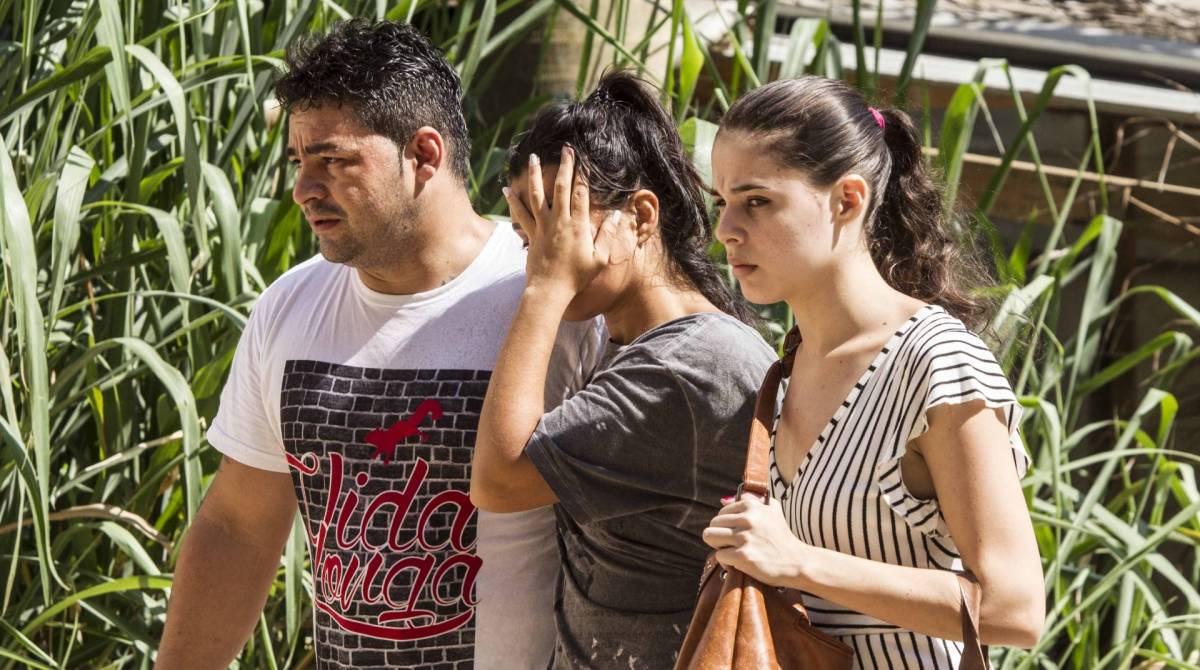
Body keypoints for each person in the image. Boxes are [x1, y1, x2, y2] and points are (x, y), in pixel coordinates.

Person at [155, 19, 599, 670]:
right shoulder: (290, 306)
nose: (305, 189)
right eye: (299, 162)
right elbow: (238, 529)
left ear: (424, 154)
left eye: (333, 160)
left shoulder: (550, 300)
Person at [700, 75, 1045, 668]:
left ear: (847, 200)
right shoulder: (787, 367)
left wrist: (797, 560)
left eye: (757, 201)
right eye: (722, 203)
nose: (727, 229)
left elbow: (1015, 610)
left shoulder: (935, 362)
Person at [468, 71, 776, 669]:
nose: (543, 253)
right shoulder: (637, 347)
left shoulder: (689, 370)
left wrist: (544, 289)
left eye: (560, 223)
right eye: (528, 236)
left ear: (639, 216)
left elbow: (500, 479)